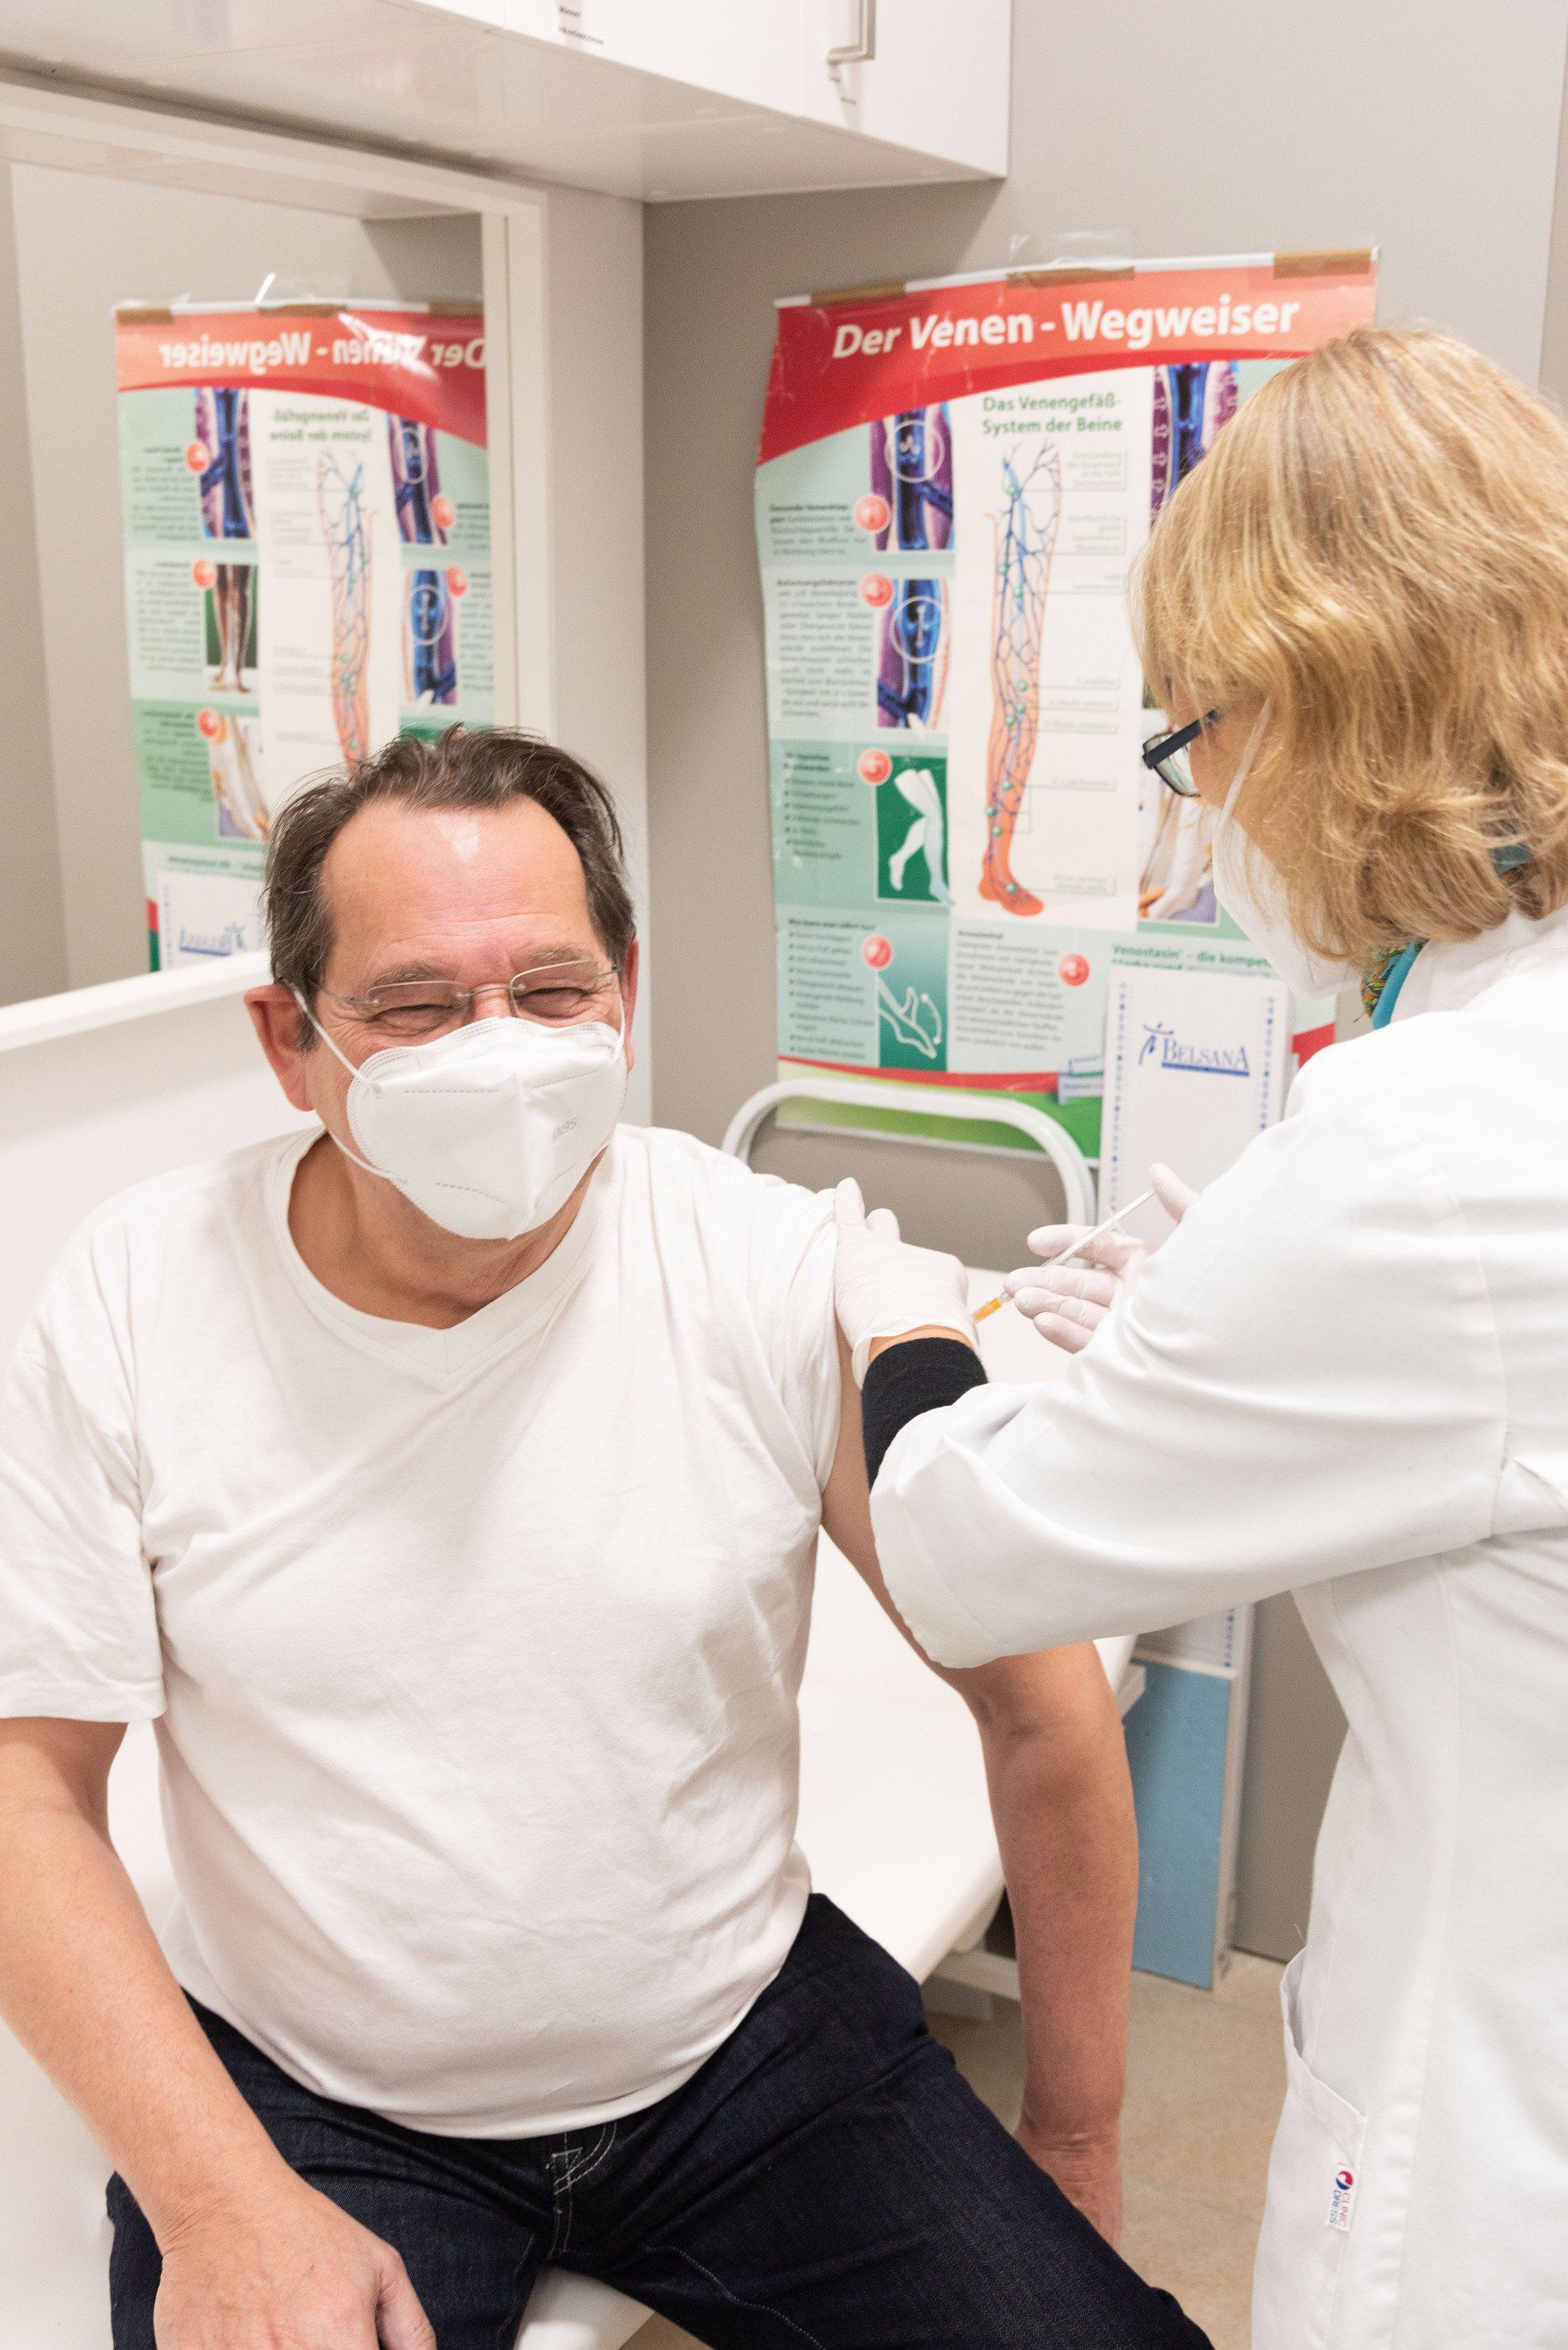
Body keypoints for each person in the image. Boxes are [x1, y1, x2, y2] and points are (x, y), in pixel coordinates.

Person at [0, 729, 1209, 2350]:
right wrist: (217, 2198)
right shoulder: (140, 1296)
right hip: (324, 2090)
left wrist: (1073, 2136)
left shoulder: (764, 1268)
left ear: (625, 993)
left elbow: (1039, 1703)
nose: (500, 1049)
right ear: (291, 1040)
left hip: (741, 2047)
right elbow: (26, 1790)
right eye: (417, 1005)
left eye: (552, 988)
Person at [833, 324, 1568, 2350]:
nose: (1205, 797)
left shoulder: (1436, 1141)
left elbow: (966, 1548)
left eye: (1195, 736)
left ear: (1315, 701)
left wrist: (911, 1328)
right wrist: (1211, 1330)